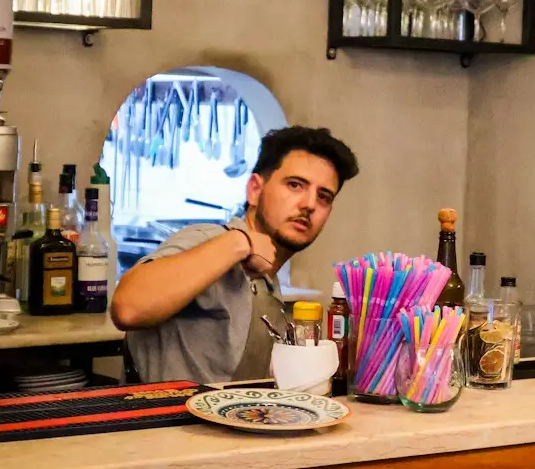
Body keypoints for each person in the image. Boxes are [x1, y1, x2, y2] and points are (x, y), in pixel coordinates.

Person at [110, 125, 359, 385]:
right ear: (254, 190)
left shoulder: (267, 279)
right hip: (167, 423)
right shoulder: (208, 240)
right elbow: (127, 308)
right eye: (295, 185)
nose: (309, 204)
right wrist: (239, 242)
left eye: (323, 196)